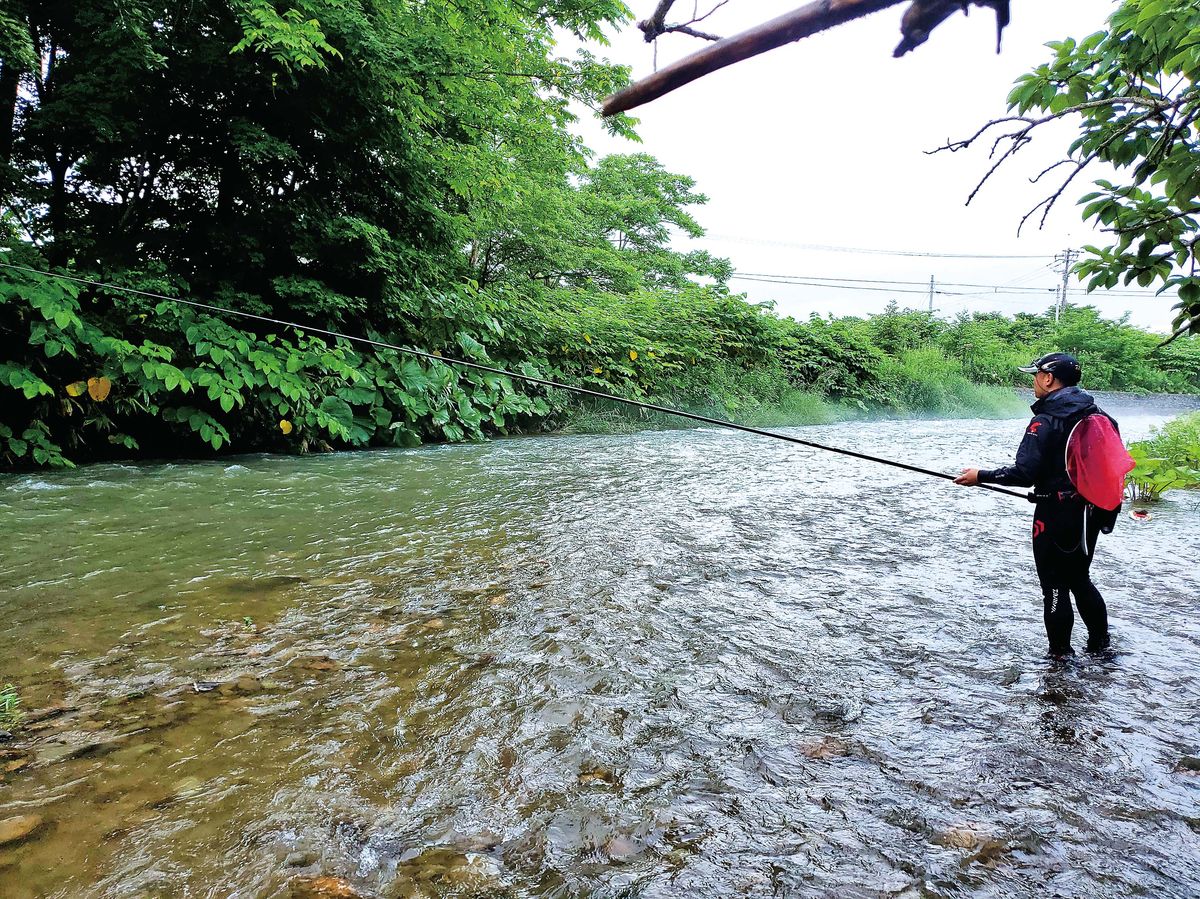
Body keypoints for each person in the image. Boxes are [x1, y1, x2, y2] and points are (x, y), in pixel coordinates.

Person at [954, 352, 1118, 657]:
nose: (1033, 381)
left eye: (1035, 375)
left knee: (1055, 587)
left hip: (1056, 515)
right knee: (1080, 579)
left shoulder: (1044, 420)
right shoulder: (1099, 415)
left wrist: (980, 476)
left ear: (1048, 378)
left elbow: (1023, 473)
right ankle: (1101, 649)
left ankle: (1060, 659)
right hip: (1090, 513)